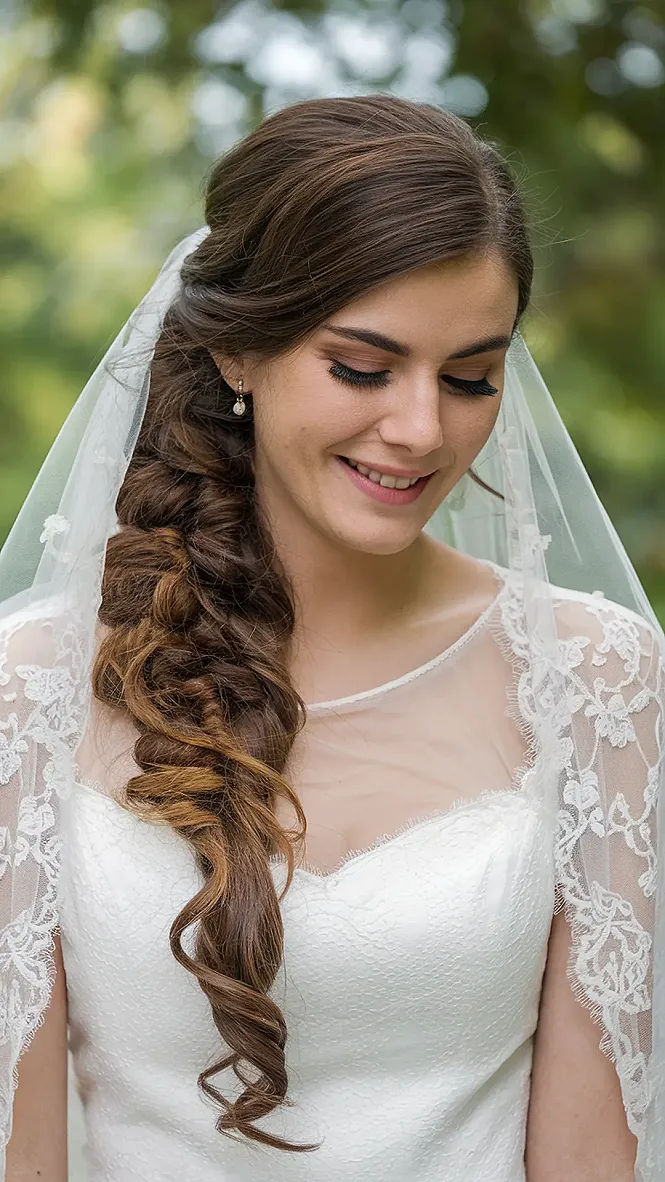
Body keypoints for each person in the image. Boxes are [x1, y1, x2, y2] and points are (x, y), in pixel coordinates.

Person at [1, 94, 664, 1182]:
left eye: (468, 377)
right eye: (361, 366)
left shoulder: (591, 678)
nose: (418, 428)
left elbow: (593, 1155)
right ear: (238, 355)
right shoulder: (29, 691)